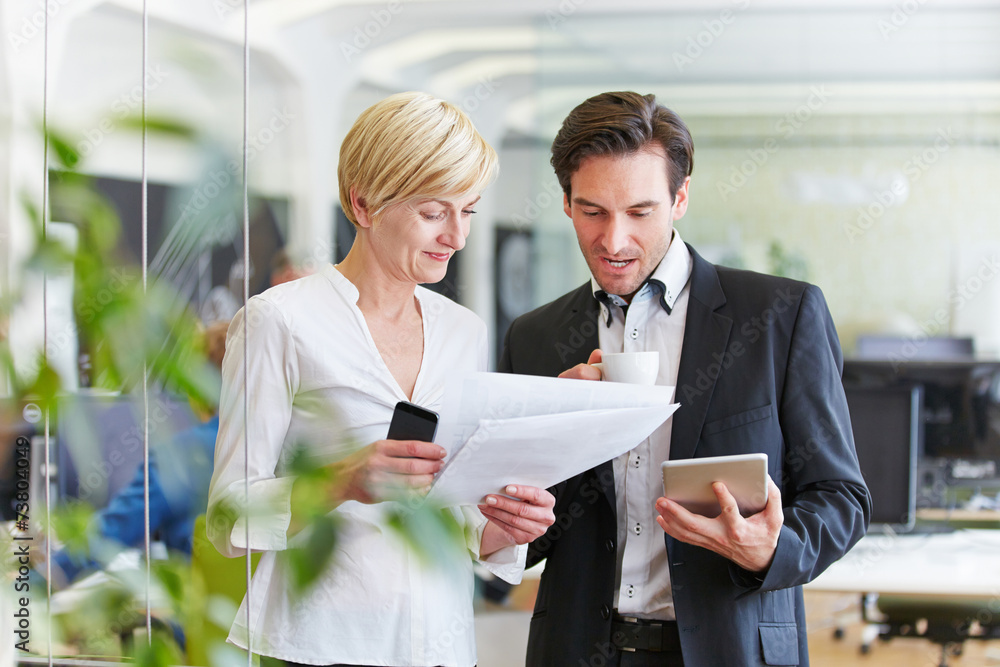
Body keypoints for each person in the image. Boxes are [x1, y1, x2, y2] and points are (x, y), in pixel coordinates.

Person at [499, 91, 872, 666]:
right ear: (567, 203)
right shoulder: (535, 335)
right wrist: (548, 453)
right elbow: (528, 532)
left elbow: (841, 496)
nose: (614, 241)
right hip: (578, 650)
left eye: (640, 212)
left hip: (731, 647)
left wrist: (771, 548)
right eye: (593, 211)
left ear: (681, 197)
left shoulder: (779, 315)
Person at [206, 92, 555, 667]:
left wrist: (507, 525)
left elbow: (465, 523)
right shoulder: (279, 321)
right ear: (364, 204)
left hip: (441, 647)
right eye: (432, 212)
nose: (457, 236)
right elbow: (227, 519)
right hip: (314, 646)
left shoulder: (462, 331)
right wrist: (342, 480)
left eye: (466, 211)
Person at [48, 320, 230, 587]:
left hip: (205, 626)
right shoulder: (297, 453)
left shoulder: (181, 457)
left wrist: (31, 583)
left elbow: (108, 536)